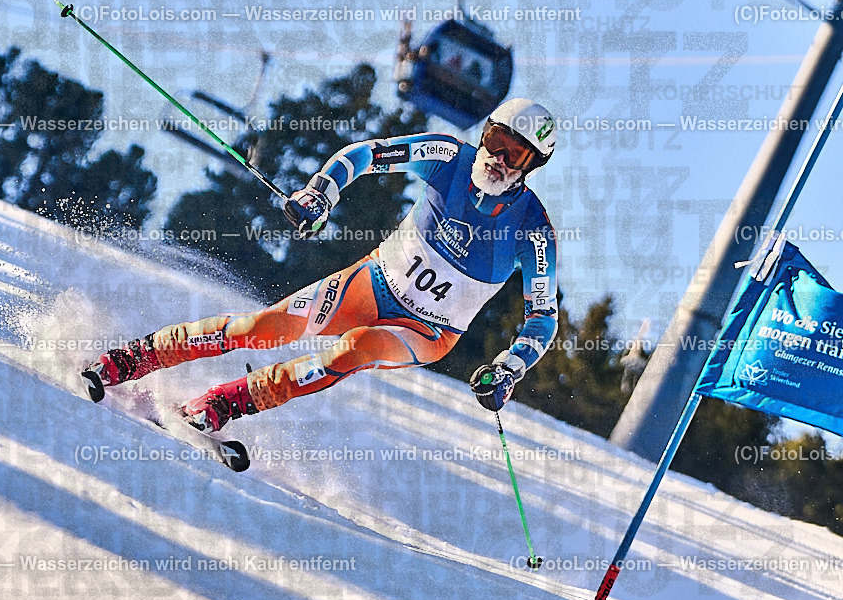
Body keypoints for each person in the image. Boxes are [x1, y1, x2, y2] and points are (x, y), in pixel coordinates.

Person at [82, 98, 560, 433]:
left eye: (514, 153)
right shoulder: (448, 157)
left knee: (356, 347)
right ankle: (131, 359)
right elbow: (366, 155)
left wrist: (509, 369)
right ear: (485, 131)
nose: (497, 158)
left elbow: (543, 318)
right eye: (496, 139)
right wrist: (321, 193)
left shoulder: (533, 230)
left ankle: (227, 402)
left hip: (428, 331)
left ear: (531, 164)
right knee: (261, 327)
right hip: (374, 281)